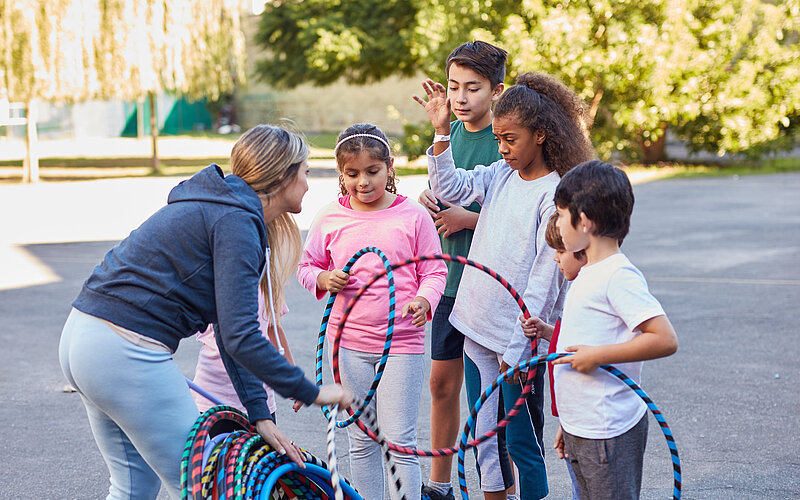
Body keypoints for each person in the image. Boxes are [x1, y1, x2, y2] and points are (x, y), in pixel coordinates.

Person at [58, 125, 352, 500]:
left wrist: (258, 413)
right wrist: (310, 391)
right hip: (124, 348)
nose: (309, 184)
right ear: (283, 176)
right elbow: (241, 336)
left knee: (134, 486)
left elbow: (230, 331)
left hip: (82, 337)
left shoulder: (221, 209)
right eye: (306, 172)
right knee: (205, 486)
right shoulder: (237, 222)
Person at [414, 72, 595, 500]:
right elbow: (449, 188)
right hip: (476, 325)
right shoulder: (501, 173)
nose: (503, 148)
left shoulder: (555, 196)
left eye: (510, 139)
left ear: (542, 135)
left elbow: (543, 280)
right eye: (498, 139)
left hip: (516, 338)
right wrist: (442, 133)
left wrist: (518, 350)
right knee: (483, 438)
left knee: (519, 442)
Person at [297, 123, 447, 500]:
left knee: (399, 440)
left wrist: (425, 300)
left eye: (372, 171)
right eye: (352, 174)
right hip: (346, 344)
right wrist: (322, 278)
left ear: (389, 167)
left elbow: (435, 270)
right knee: (360, 440)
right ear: (340, 173)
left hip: (400, 344)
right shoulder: (330, 217)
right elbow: (305, 266)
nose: (362, 182)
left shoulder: (413, 216)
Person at [551, 160, 679, 500]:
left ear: (585, 221)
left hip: (609, 428)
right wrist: (569, 419)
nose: (558, 223)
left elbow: (664, 338)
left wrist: (598, 356)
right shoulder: (588, 272)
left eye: (562, 214)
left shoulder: (617, 275)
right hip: (584, 424)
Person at [415, 41, 507, 500]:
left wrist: (465, 217)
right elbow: (441, 183)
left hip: (486, 281)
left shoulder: (509, 137)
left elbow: (510, 202)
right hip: (447, 279)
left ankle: (498, 483)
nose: (461, 97)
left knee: (486, 394)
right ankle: (440, 483)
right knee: (439, 382)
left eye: (473, 87)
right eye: (454, 86)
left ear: (497, 90)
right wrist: (427, 201)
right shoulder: (445, 132)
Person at [520, 212, 587, 500]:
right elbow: (570, 344)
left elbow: (586, 353)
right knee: (580, 488)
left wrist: (597, 356)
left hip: (596, 423)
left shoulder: (591, 294)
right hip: (576, 420)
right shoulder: (577, 292)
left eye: (560, 251)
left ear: (583, 251)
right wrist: (548, 331)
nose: (555, 258)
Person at [191, 289, 293, 415]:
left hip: (260, 397)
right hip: (212, 394)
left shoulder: (267, 279)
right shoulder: (207, 278)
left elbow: (273, 328)